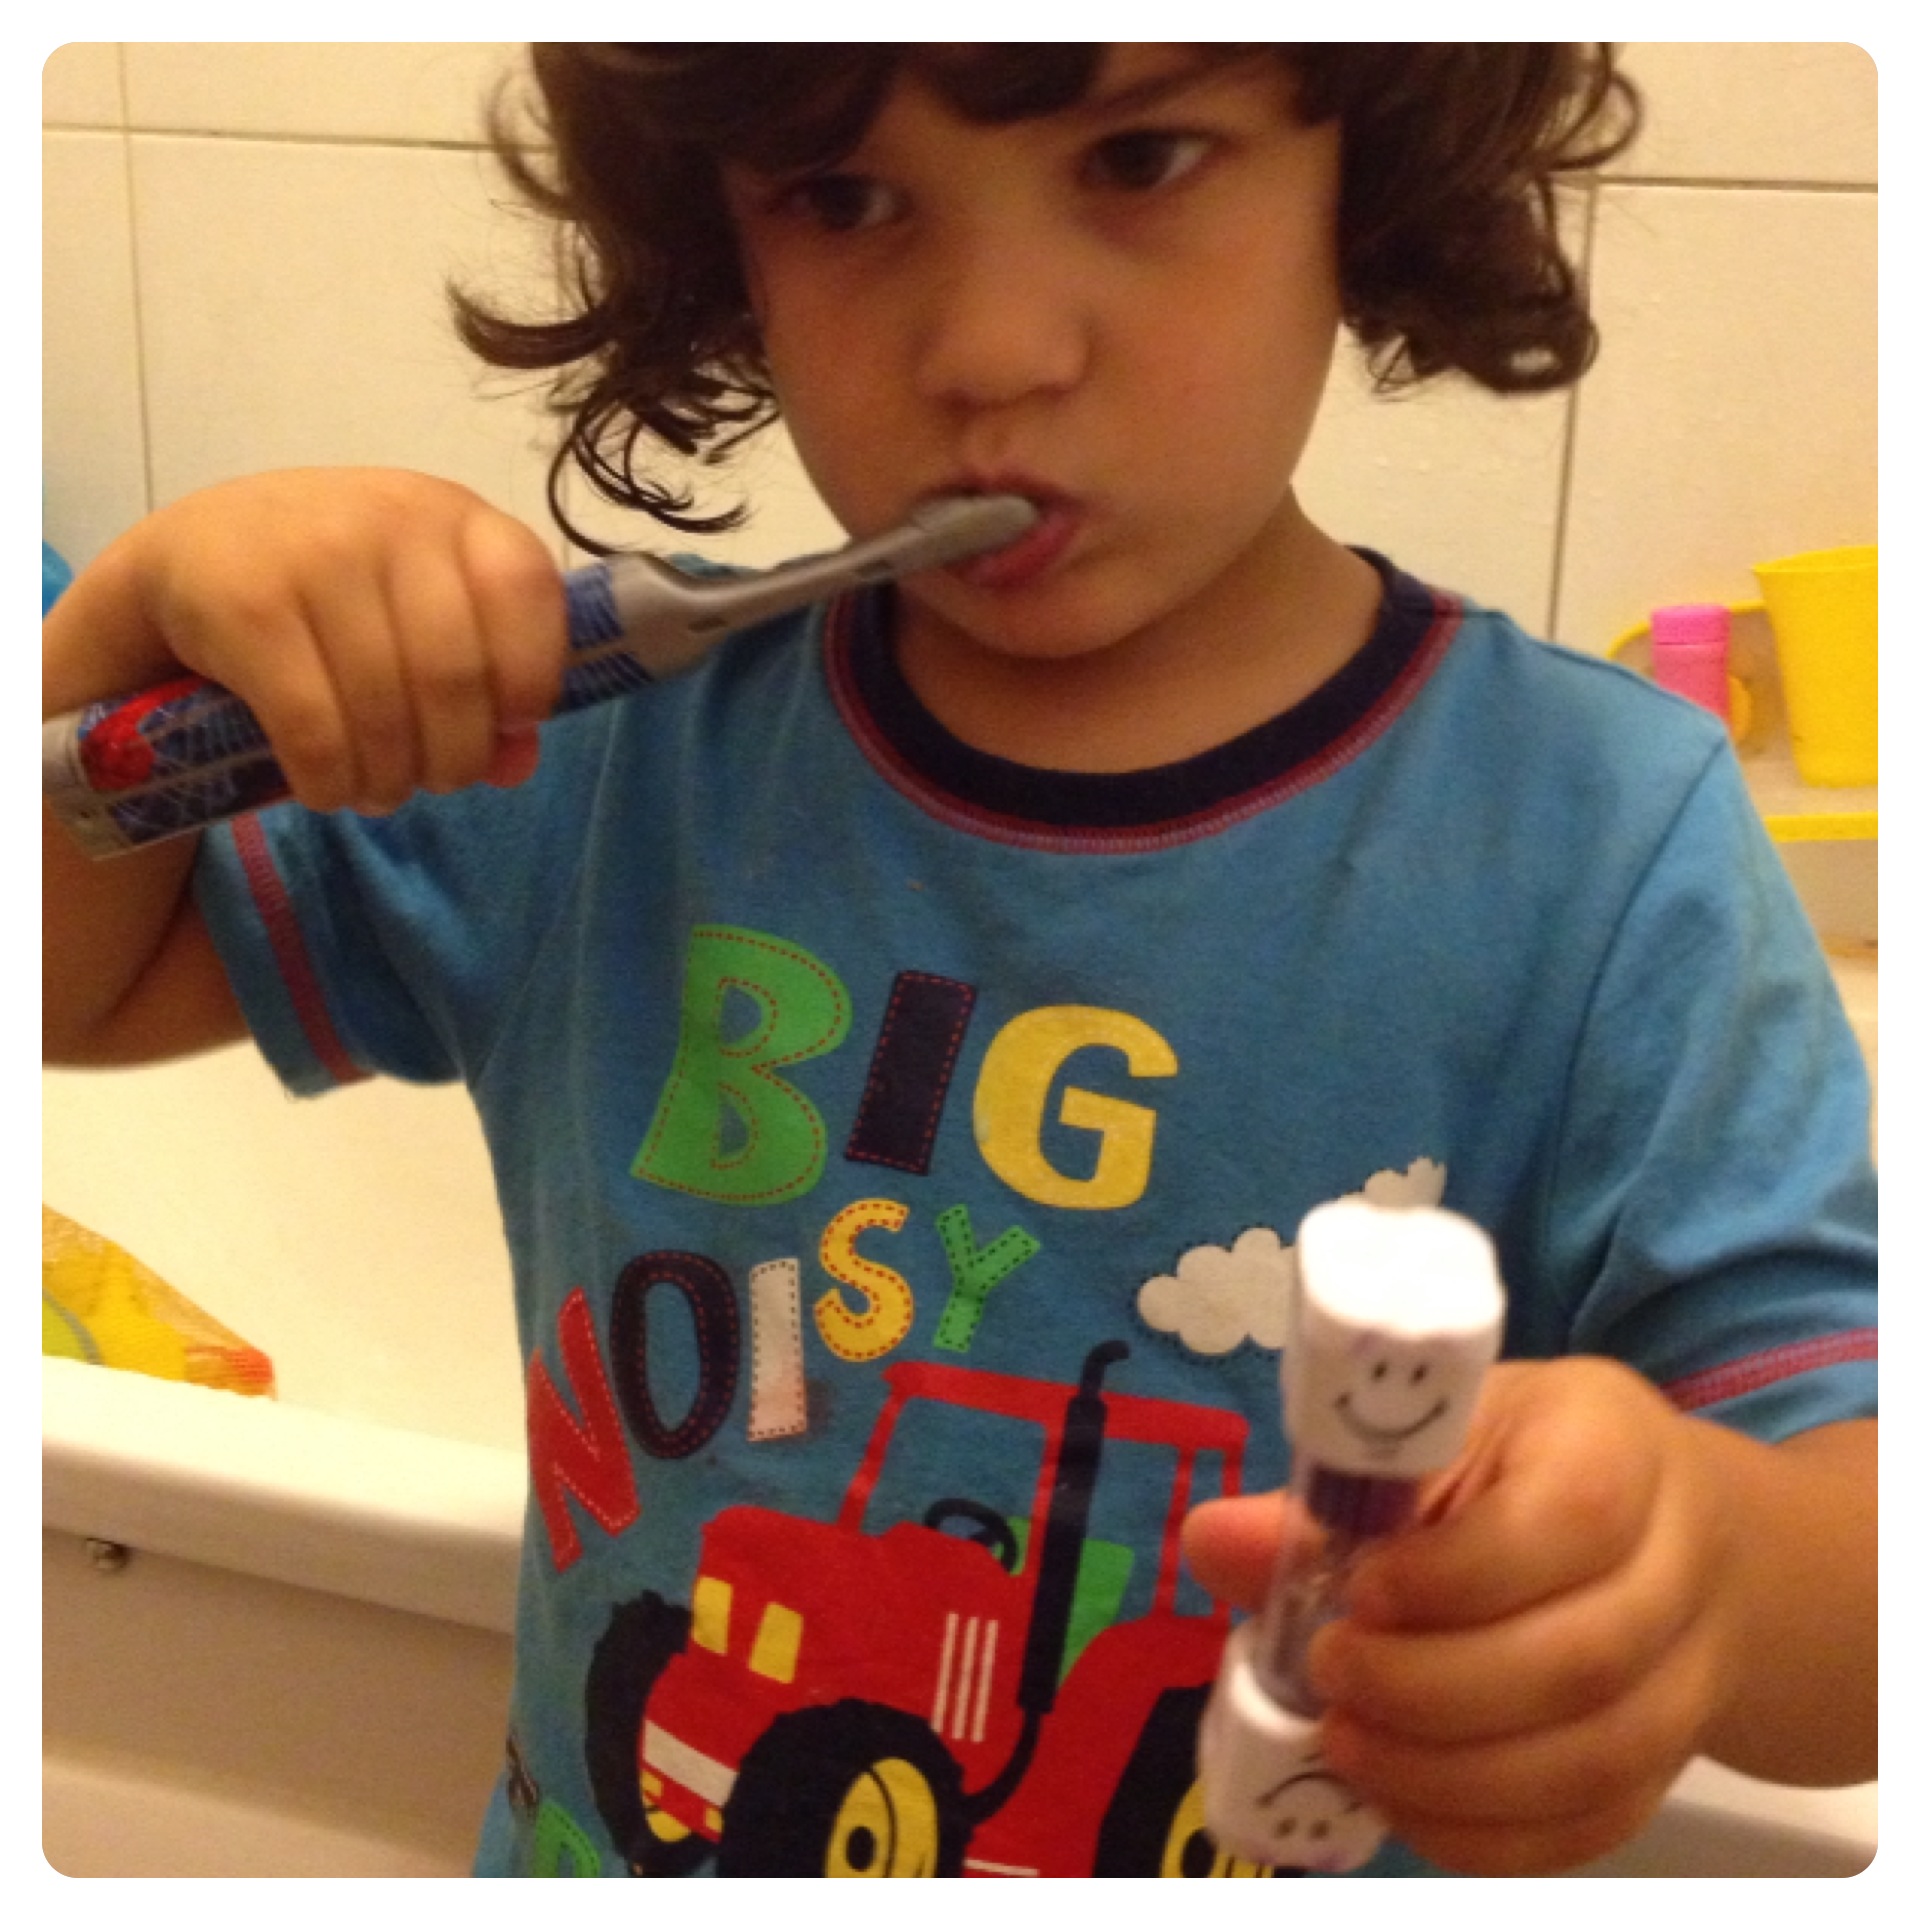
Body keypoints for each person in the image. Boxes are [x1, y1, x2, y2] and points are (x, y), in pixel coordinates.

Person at [42, 44, 1875, 1879]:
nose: (990, 348)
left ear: (1364, 173)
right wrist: (122, 633)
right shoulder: (598, 764)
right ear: (727, 239)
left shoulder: (1600, 846)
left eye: (1144, 158)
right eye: (845, 200)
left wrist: (1702, 1565)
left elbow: (1863, 1623)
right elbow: (72, 991)